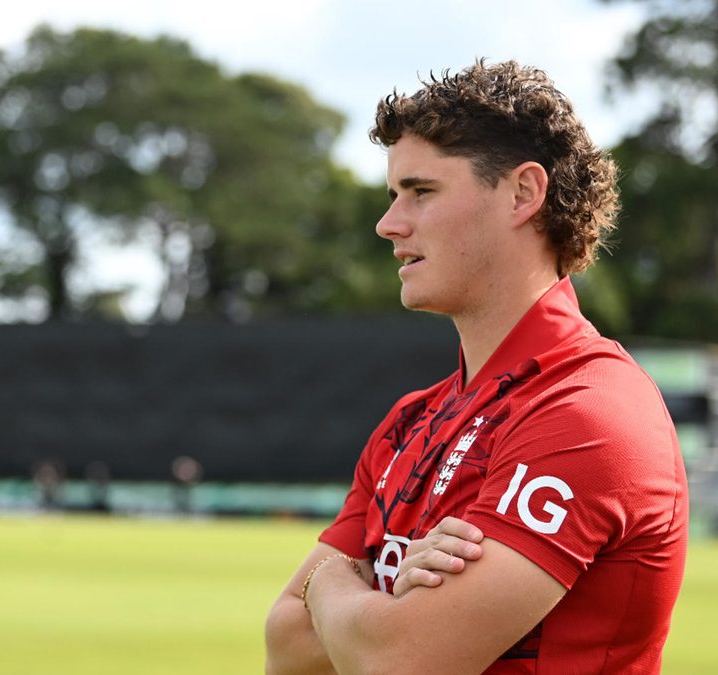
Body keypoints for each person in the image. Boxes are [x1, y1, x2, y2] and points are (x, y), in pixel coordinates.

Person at [264, 60, 688, 674]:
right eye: (393, 196)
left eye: (422, 192)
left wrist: (327, 580)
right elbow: (285, 645)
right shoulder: (410, 419)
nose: (388, 224)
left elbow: (399, 660)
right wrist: (379, 606)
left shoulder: (589, 412)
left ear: (523, 194)